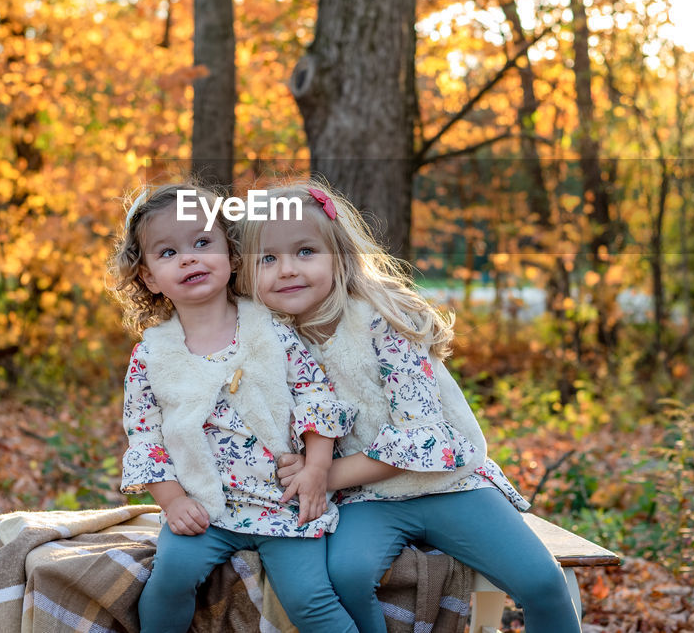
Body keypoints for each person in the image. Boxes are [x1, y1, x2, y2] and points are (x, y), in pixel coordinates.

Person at [238, 181, 582, 633]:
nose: (287, 270)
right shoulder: (265, 340)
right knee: (347, 575)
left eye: (305, 252)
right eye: (268, 258)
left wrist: (323, 474)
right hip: (367, 500)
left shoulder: (383, 317)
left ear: (340, 254)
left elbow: (422, 434)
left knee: (541, 581)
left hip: (448, 483)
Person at [108, 182, 359, 633]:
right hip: (204, 508)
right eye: (167, 253)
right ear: (148, 277)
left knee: (310, 599)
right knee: (168, 582)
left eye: (203, 243)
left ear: (232, 257)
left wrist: (316, 467)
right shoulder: (152, 355)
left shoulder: (271, 330)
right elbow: (145, 436)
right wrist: (172, 501)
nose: (188, 258)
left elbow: (315, 396)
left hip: (282, 502)